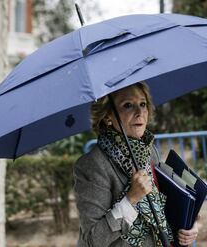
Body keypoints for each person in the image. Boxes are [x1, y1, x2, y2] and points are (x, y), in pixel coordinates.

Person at [73, 82, 200, 247]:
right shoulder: (92, 165)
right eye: (128, 105)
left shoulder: (149, 151)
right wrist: (130, 199)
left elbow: (167, 206)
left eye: (143, 104)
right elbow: (92, 240)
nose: (140, 112)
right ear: (107, 116)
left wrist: (191, 226)